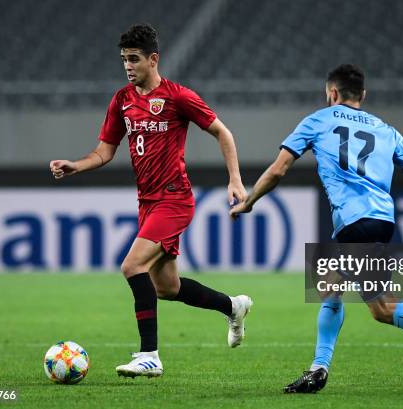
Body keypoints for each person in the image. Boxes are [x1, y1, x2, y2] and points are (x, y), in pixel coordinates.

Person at [230, 64, 403, 393]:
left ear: (332, 93)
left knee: (383, 308)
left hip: (356, 223)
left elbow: (278, 169)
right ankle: (318, 370)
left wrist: (250, 201)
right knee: (330, 285)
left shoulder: (319, 120)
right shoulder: (385, 129)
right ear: (363, 95)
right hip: (380, 220)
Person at [50, 24, 253, 379]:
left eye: (134, 59)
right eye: (123, 60)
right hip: (147, 203)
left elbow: (223, 132)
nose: (127, 66)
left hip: (175, 200)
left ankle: (150, 355)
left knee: (131, 266)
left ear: (153, 59)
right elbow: (105, 151)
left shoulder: (178, 97)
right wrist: (76, 166)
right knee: (167, 288)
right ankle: (233, 307)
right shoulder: (122, 100)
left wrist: (235, 179)